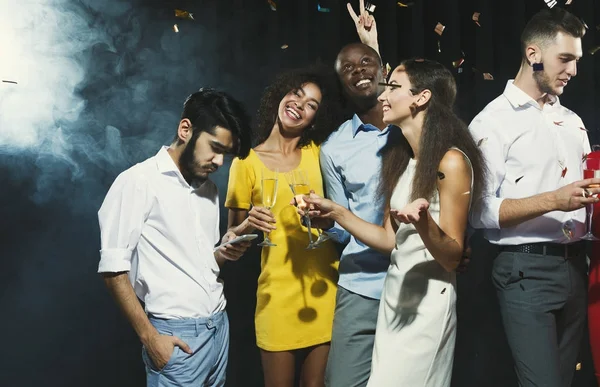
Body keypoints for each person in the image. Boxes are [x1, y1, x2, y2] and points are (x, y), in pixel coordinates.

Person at [305, 58, 486, 387]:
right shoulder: (403, 159)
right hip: (395, 296)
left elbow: (452, 256)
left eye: (393, 87)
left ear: (421, 97)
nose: (383, 96)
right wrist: (336, 212)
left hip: (428, 303)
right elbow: (391, 240)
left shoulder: (452, 161)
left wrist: (423, 223)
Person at [468, 8, 598, 387]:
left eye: (577, 60)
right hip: (524, 272)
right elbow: (479, 212)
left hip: (578, 267)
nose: (573, 70)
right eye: (566, 59)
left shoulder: (573, 121)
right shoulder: (491, 121)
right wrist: (553, 200)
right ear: (533, 54)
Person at [98, 88, 253, 387]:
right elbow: (113, 270)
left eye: (225, 154)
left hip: (219, 327)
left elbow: (203, 258)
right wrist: (150, 339)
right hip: (176, 336)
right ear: (186, 130)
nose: (219, 162)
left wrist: (227, 248)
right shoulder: (138, 181)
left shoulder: (209, 189)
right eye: (215, 148)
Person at [224, 66, 343, 387]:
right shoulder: (245, 162)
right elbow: (230, 240)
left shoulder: (319, 154)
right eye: (296, 94)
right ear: (281, 96)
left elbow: (341, 213)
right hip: (276, 297)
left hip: (323, 289)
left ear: (315, 118)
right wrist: (249, 223)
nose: (300, 105)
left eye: (312, 104)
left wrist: (325, 215)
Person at [316, 3, 391, 385]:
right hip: (361, 286)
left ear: (382, 69)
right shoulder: (334, 148)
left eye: (366, 63)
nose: (359, 71)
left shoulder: (412, 124)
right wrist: (325, 222)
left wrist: (373, 44)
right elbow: (342, 232)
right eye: (348, 68)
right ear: (341, 84)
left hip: (416, 280)